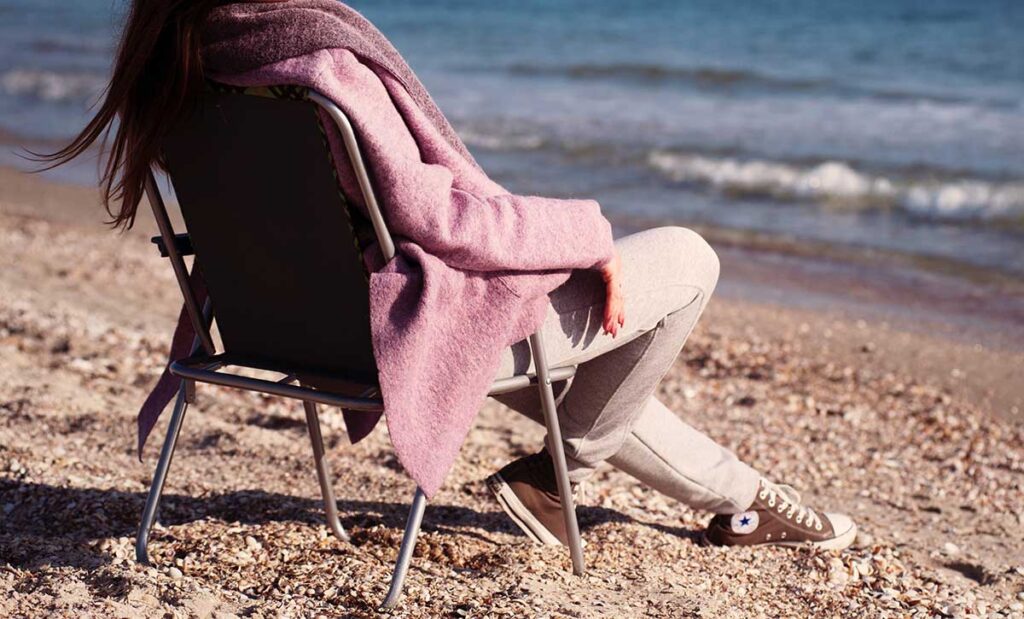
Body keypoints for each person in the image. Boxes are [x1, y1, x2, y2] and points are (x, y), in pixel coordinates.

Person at [38, 0, 856, 551]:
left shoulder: (179, 68)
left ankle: (743, 501)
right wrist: (586, 237)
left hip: (284, 323)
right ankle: (560, 479)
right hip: (402, 327)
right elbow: (447, 221)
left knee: (599, 379)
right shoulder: (320, 66)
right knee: (688, 256)